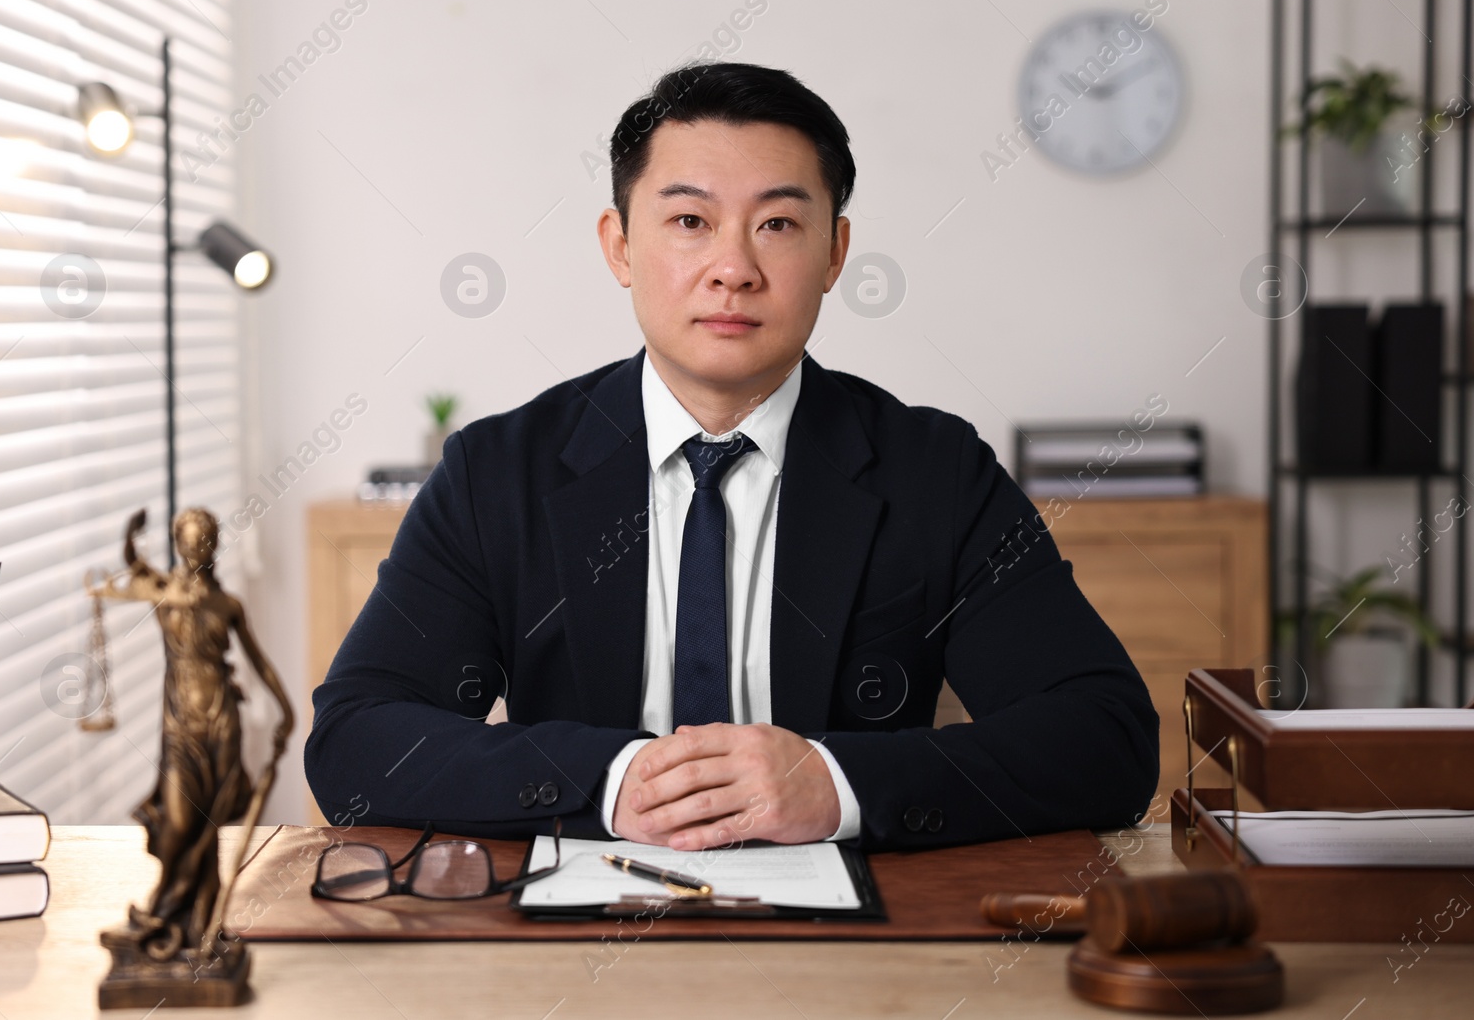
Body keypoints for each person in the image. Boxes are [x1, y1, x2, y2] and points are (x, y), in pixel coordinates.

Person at [306, 61, 1158, 852]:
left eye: (778, 224)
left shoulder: (933, 471)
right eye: (689, 221)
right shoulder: (498, 472)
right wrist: (607, 781)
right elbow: (358, 737)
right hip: (570, 938)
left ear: (833, 253)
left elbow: (1105, 738)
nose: (733, 268)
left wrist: (836, 783)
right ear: (620, 246)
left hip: (859, 948)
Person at [93, 508, 295, 959]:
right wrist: (130, 533)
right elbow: (133, 566)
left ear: (215, 544)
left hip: (222, 724)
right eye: (188, 539)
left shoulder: (227, 605)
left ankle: (197, 922)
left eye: (205, 539)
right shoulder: (165, 592)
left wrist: (287, 709)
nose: (196, 547)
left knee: (209, 823)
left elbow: (258, 660)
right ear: (176, 543)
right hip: (180, 726)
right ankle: (165, 912)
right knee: (179, 822)